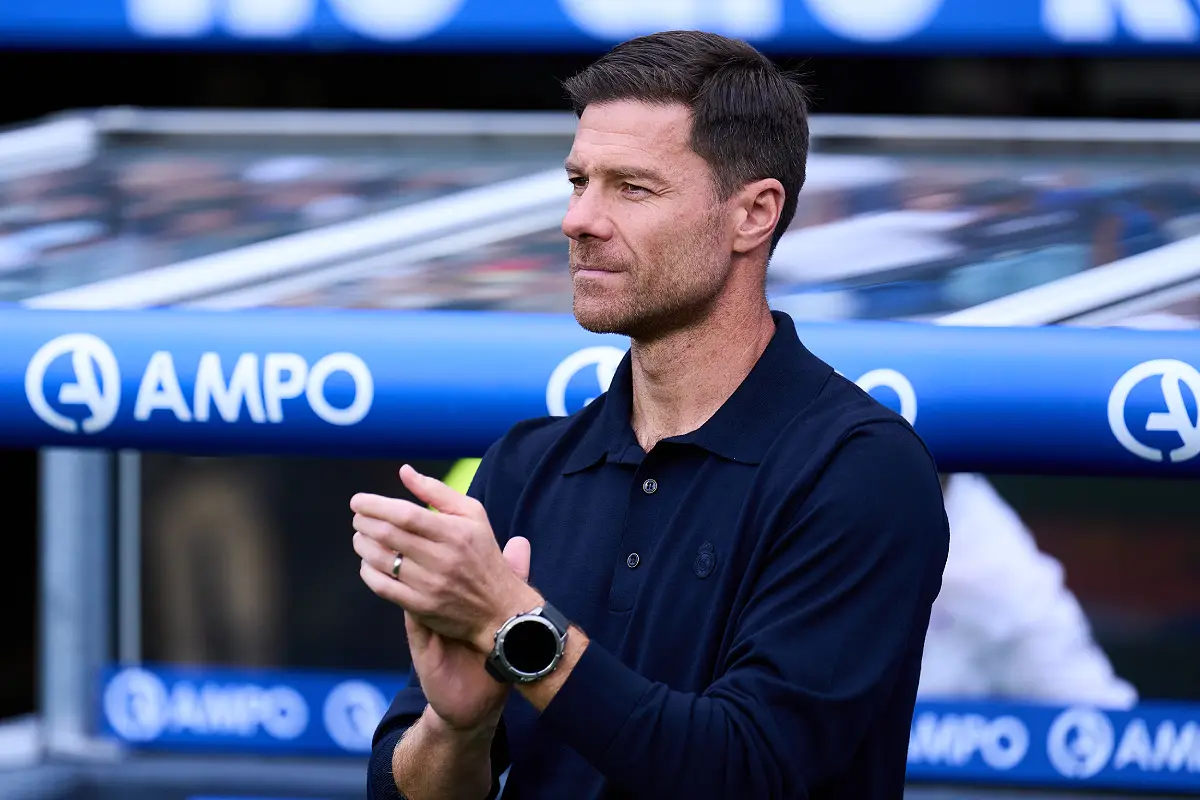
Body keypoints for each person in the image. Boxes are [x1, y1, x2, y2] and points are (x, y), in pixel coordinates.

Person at [351, 30, 950, 800]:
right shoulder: (526, 465)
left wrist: (519, 630)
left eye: (632, 188)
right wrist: (457, 728)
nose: (580, 220)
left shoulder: (861, 470)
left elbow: (747, 773)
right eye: (578, 182)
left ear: (754, 214)